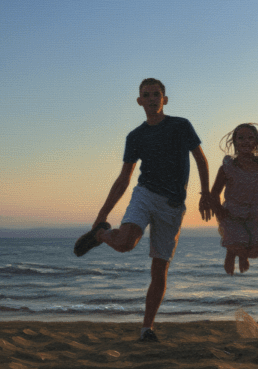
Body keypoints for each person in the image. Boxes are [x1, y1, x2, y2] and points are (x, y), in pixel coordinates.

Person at [73, 78, 214, 342]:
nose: (151, 99)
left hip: (173, 206)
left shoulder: (180, 126)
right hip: (146, 194)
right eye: (146, 95)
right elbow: (124, 178)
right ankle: (101, 235)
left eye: (156, 94)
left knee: (159, 269)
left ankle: (146, 329)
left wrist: (206, 194)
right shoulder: (136, 136)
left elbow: (201, 160)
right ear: (139, 101)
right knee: (126, 242)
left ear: (165, 99)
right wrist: (102, 216)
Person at [210, 123, 258, 275]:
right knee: (236, 244)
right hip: (231, 213)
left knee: (256, 250)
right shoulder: (228, 166)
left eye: (250, 138)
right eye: (241, 138)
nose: (246, 141)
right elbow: (215, 192)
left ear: (257, 142)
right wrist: (218, 209)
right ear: (235, 142)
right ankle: (232, 254)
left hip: (253, 213)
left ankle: (242, 255)